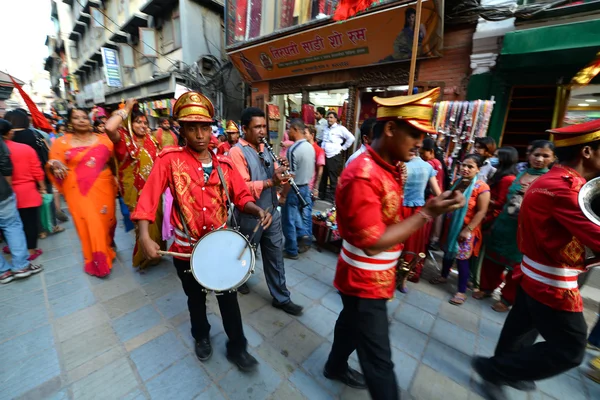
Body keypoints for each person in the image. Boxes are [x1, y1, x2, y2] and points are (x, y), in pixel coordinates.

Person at [324, 88, 464, 399]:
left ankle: (334, 366)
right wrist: (428, 212)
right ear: (389, 129)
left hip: (373, 274)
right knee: (379, 361)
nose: (421, 142)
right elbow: (373, 244)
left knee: (349, 325)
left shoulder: (392, 167)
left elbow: (388, 219)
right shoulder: (363, 174)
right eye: (414, 133)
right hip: (364, 279)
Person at [132, 92, 270, 372]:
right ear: (180, 130)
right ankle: (201, 336)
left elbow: (242, 197)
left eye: (204, 127)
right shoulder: (169, 161)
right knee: (195, 298)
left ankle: (237, 347)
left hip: (219, 247)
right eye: (191, 127)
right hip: (184, 249)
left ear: (211, 129)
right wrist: (145, 236)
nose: (199, 134)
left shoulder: (224, 165)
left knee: (228, 297)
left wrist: (257, 210)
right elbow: (148, 199)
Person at [472, 119, 600, 400]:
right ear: (587, 152)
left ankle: (504, 369)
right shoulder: (568, 189)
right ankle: (496, 369)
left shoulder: (549, 179)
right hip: (552, 281)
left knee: (521, 330)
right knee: (570, 349)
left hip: (532, 272)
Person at [229, 107, 304, 315]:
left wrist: (281, 174)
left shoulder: (265, 149)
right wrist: (271, 181)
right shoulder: (236, 152)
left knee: (275, 256)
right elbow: (241, 188)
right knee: (244, 252)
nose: (262, 131)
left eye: (264, 126)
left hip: (272, 211)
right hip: (249, 215)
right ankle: (237, 280)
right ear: (244, 129)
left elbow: (273, 180)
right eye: (257, 127)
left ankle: (281, 297)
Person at [475, 141, 555, 312]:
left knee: (516, 268)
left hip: (525, 232)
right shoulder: (520, 174)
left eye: (545, 156)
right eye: (536, 154)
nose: (539, 159)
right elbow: (506, 200)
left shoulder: (550, 181)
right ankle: (486, 288)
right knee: (492, 259)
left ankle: (507, 298)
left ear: (553, 158)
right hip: (504, 224)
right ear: (529, 155)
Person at [46, 108, 117, 277]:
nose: (81, 120)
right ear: (70, 122)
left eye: (84, 117)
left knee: (106, 221)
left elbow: (113, 161)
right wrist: (54, 165)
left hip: (104, 186)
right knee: (91, 222)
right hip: (78, 191)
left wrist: (115, 177)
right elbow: (52, 162)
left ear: (89, 120)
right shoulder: (61, 143)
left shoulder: (104, 140)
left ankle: (106, 247)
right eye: (76, 118)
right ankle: (98, 262)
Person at [105, 99, 166, 270]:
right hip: (135, 192)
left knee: (157, 223)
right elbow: (109, 127)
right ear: (130, 123)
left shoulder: (151, 140)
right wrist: (127, 108)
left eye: (145, 122)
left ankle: (158, 252)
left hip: (155, 190)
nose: (143, 125)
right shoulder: (123, 138)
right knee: (143, 227)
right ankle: (143, 258)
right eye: (138, 121)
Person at [430, 154, 490, 306]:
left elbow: (481, 212)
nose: (465, 169)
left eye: (470, 166)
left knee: (463, 259)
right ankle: (444, 276)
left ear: (478, 169)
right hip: (452, 225)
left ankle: (461, 291)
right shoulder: (458, 182)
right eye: (463, 165)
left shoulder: (482, 187)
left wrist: (468, 230)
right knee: (448, 251)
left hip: (467, 228)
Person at [4, 110, 65, 238]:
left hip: (16, 178)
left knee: (28, 208)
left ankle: (39, 231)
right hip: (40, 173)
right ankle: (52, 225)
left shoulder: (5, 138)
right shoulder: (36, 133)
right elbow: (47, 154)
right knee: (47, 201)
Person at [470, 147, 519, 296]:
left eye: (498, 156)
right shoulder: (502, 175)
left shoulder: (507, 178)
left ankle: (478, 282)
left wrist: (482, 198)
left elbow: (501, 202)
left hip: (492, 218)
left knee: (482, 251)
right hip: (489, 214)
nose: (494, 159)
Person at [0, 120, 43, 284]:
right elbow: (7, 167)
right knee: (13, 226)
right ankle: (21, 266)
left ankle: (3, 272)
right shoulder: (23, 148)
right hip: (9, 193)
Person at [398, 146, 442, 291]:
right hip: (419, 211)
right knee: (413, 245)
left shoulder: (402, 165)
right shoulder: (427, 167)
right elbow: (437, 193)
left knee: (398, 241)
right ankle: (405, 278)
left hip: (402, 207)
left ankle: (393, 273)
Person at [280, 119, 315, 259]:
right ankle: (303, 235)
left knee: (288, 218)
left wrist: (283, 194)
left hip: (295, 188)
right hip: (305, 186)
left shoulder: (293, 149)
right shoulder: (309, 147)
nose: (288, 132)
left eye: (289, 129)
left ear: (295, 129)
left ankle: (291, 250)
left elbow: (290, 176)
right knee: (295, 214)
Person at [319, 111, 355, 202]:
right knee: (323, 176)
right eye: (328, 117)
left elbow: (351, 138)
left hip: (334, 155)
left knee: (333, 177)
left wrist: (343, 148)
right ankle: (321, 195)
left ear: (335, 119)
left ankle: (332, 199)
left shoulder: (340, 129)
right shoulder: (326, 128)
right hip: (324, 155)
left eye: (331, 117)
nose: (329, 119)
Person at [420, 137, 446, 249]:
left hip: (430, 197)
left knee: (424, 231)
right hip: (437, 197)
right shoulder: (438, 162)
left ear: (431, 151)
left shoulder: (430, 163)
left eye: (422, 153)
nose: (421, 156)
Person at [305, 125, 325, 201]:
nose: (303, 135)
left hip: (309, 186)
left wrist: (316, 188)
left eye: (305, 133)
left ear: (312, 135)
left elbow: (320, 170)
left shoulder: (319, 150)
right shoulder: (302, 147)